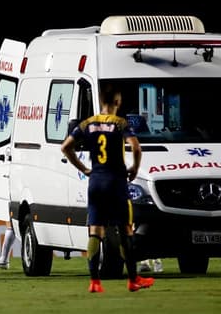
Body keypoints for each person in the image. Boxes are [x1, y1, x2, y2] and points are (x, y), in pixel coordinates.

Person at [60, 84, 154, 293]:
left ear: (101, 102)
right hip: (116, 182)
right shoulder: (120, 123)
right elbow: (136, 148)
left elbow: (65, 147)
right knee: (125, 231)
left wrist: (84, 168)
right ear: (117, 103)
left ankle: (94, 282)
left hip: (96, 182)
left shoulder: (88, 124)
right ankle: (133, 279)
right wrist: (135, 169)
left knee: (95, 232)